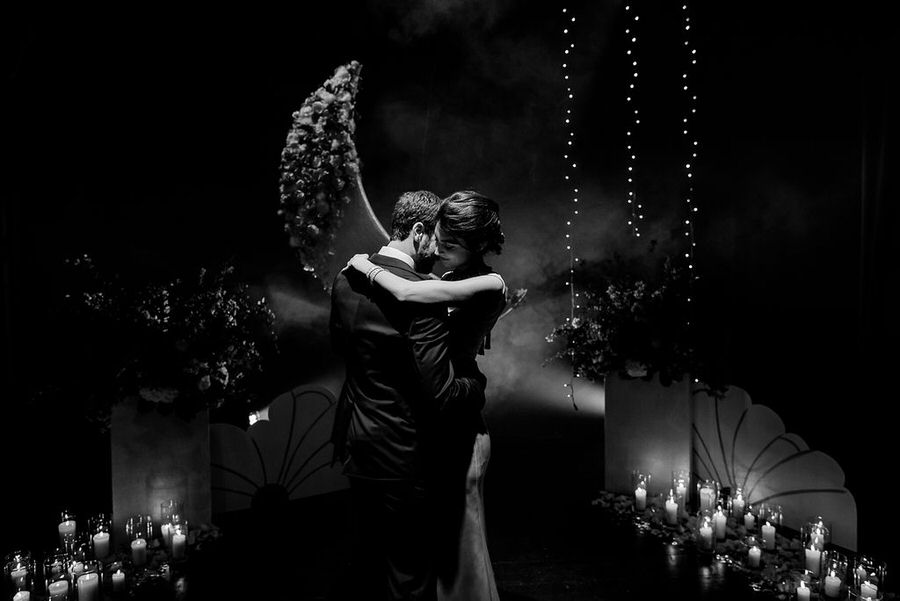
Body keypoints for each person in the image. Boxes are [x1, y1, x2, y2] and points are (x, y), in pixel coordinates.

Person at [345, 190, 506, 601]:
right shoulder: (444, 279)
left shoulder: (489, 283)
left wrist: (364, 264)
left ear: (477, 247)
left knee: (461, 545)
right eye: (439, 238)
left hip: (463, 417)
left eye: (450, 245)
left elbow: (408, 295)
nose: (440, 250)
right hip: (435, 426)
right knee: (434, 548)